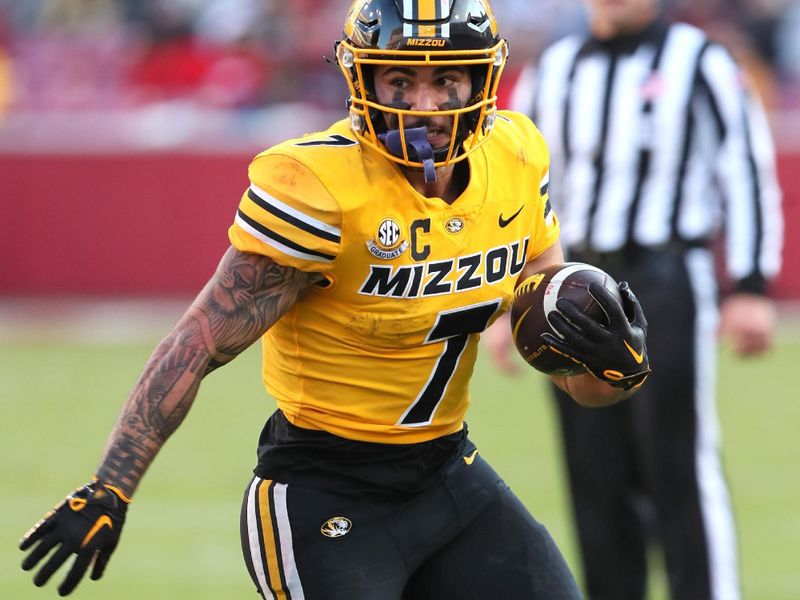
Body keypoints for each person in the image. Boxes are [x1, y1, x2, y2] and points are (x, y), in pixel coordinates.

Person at [19, 1, 652, 598]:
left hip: (448, 474)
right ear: (361, 81)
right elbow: (199, 341)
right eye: (398, 82)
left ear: (481, 83)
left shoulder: (513, 157)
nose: (421, 105)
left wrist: (616, 370)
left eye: (445, 82)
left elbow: (567, 364)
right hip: (323, 491)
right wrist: (111, 486)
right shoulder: (321, 187)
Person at [489, 0, 784, 598]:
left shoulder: (699, 60)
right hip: (571, 287)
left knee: (677, 460)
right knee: (591, 469)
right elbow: (514, 184)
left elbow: (746, 168)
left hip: (666, 275)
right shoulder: (557, 66)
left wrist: (751, 285)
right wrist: (507, 304)